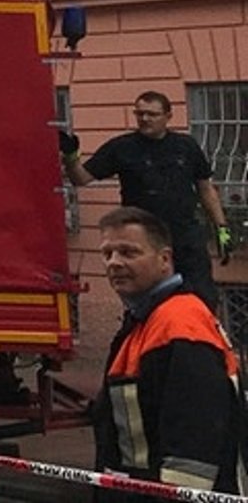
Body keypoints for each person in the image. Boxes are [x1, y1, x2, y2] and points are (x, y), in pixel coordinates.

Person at [90, 206, 243, 500]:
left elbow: (192, 451)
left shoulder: (180, 326)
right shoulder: (149, 321)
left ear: (164, 260)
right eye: (107, 254)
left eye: (128, 252)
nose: (114, 263)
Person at [63, 91, 231, 308]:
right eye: (140, 114)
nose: (144, 119)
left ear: (168, 116)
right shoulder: (122, 147)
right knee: (148, 303)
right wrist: (70, 158)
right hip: (144, 241)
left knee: (200, 301)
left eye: (152, 114)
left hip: (184, 239)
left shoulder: (186, 146)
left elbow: (206, 189)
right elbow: (81, 178)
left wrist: (222, 228)